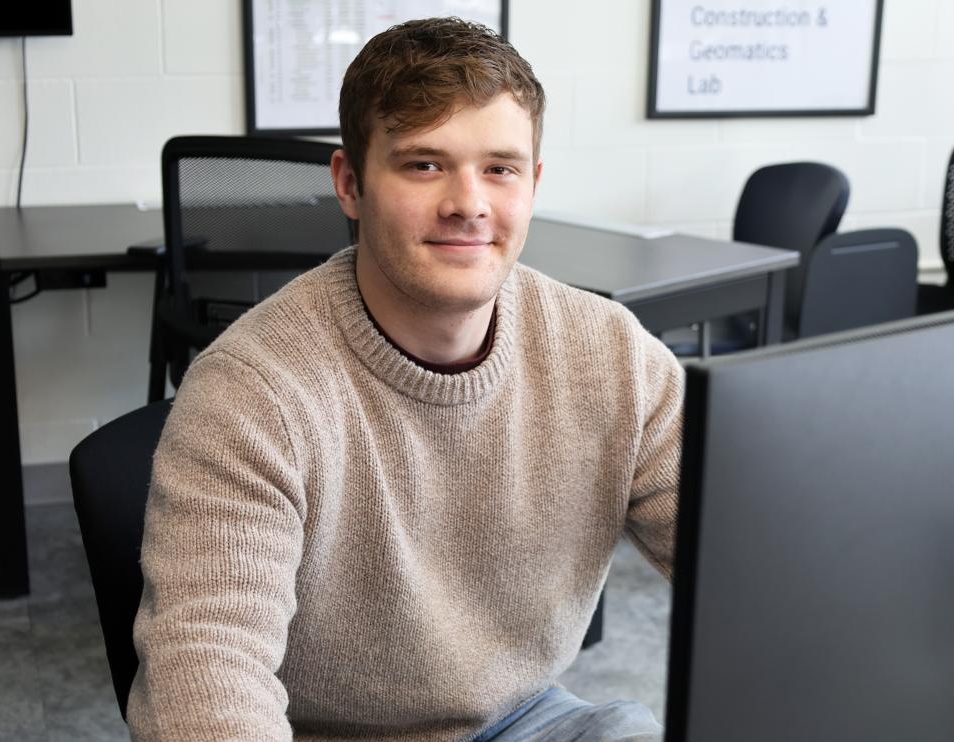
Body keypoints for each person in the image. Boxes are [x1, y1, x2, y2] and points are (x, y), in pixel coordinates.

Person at [128, 17, 683, 741]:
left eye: (500, 168)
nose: (469, 203)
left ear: (533, 184)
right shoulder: (251, 393)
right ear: (351, 184)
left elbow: (745, 558)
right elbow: (206, 669)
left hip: (523, 716)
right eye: (425, 165)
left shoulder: (612, 354)